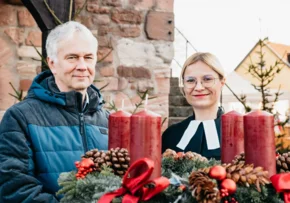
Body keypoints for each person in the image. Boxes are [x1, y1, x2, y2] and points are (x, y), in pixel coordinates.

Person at [0, 21, 109, 202]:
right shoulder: (21, 117)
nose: (82, 66)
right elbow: (14, 190)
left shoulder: (108, 121)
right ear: (52, 64)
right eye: (72, 57)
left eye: (88, 57)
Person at [162, 52, 225, 160]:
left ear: (222, 83)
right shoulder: (171, 135)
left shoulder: (239, 133)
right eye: (191, 80)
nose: (199, 87)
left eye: (207, 79)